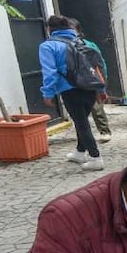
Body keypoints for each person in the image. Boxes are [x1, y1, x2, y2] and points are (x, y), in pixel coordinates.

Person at [39, 15, 104, 171]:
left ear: (50, 29)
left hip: (70, 89)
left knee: (81, 124)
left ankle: (96, 158)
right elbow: (96, 66)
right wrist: (101, 88)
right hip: (89, 87)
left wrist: (48, 93)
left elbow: (50, 72)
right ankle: (80, 152)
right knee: (81, 121)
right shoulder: (82, 42)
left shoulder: (48, 46)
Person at [68, 18, 112, 143]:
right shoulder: (66, 46)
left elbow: (100, 63)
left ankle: (104, 131)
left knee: (97, 107)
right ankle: (83, 136)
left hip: (92, 80)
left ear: (79, 31)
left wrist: (102, 80)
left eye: (73, 30)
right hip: (75, 82)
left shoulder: (89, 45)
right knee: (78, 111)